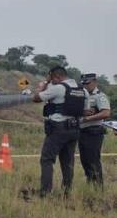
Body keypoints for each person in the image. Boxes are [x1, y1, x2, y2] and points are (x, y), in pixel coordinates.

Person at [32, 66, 87, 197]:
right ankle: (66, 192)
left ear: (56, 76)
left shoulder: (58, 88)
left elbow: (35, 98)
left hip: (58, 128)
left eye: (52, 78)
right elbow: (85, 110)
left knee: (47, 159)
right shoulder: (82, 90)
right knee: (68, 162)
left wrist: (45, 83)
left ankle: (45, 192)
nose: (51, 81)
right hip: (75, 128)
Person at [78, 73, 111, 186]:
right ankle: (90, 184)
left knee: (93, 160)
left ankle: (97, 187)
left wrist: (88, 118)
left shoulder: (100, 96)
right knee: (85, 160)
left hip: (94, 131)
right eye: (83, 83)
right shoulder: (83, 95)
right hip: (82, 131)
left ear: (95, 82)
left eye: (88, 83)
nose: (85, 85)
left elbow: (106, 113)